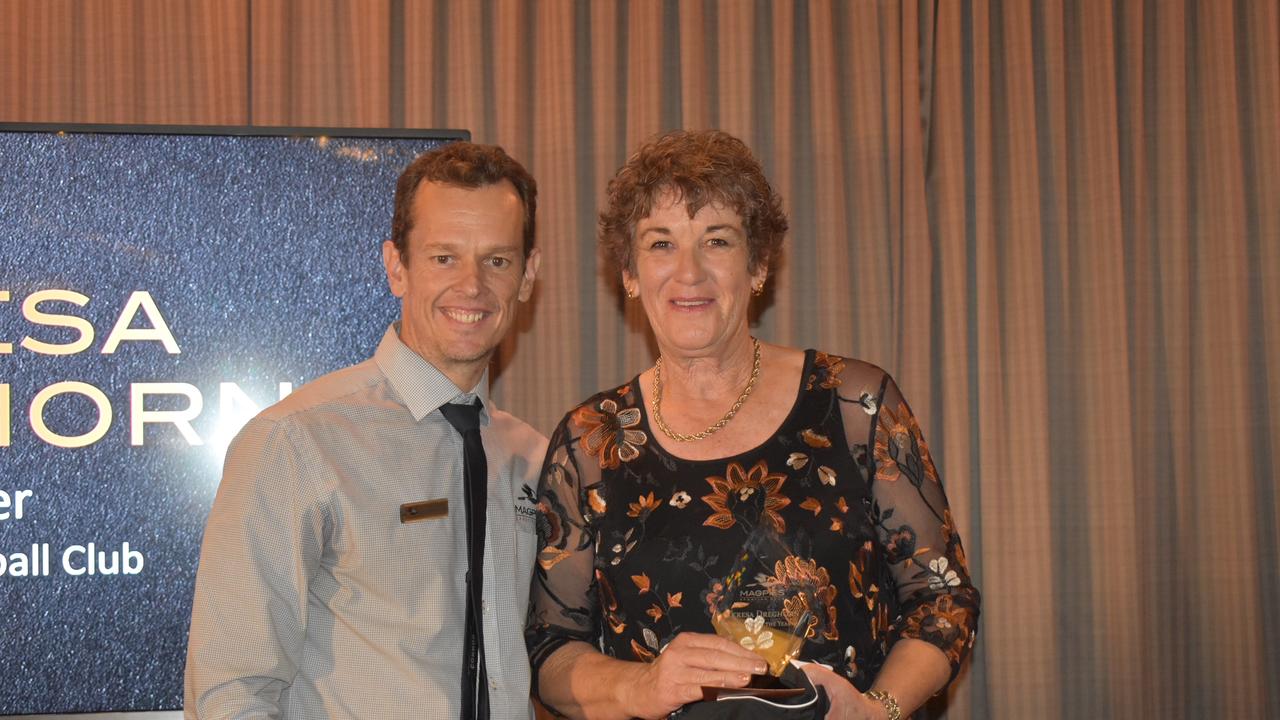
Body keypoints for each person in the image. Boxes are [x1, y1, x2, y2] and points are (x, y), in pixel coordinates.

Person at [525, 130, 979, 720]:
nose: (688, 273)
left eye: (716, 241)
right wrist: (640, 686)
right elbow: (550, 649)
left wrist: (877, 711)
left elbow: (942, 598)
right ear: (629, 273)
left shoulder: (854, 404)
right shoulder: (591, 442)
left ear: (758, 263)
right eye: (660, 244)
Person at [185, 141, 547, 719]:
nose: (472, 286)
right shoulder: (296, 440)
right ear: (396, 267)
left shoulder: (535, 459)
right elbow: (232, 688)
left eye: (497, 260)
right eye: (444, 258)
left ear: (527, 276)